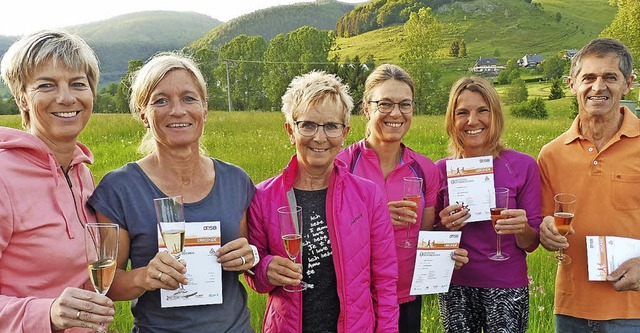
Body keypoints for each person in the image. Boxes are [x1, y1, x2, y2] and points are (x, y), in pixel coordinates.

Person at [88, 52, 257, 332]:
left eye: (189, 98)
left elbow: (249, 257)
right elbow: (108, 284)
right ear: (144, 115)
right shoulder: (120, 188)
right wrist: (145, 277)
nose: (177, 110)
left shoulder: (236, 181)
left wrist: (248, 256)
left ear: (205, 109)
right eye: (161, 101)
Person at [246, 70, 399, 333]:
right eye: (307, 125)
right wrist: (264, 269)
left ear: (345, 133)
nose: (319, 137)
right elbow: (254, 273)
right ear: (290, 131)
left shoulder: (368, 196)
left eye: (331, 126)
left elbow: (385, 281)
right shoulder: (263, 196)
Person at [336, 63, 468, 333]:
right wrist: (377, 217)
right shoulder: (342, 165)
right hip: (352, 296)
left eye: (404, 105)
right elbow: (330, 234)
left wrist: (446, 247)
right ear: (366, 109)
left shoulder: (425, 169)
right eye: (384, 104)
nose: (395, 113)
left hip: (406, 294)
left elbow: (426, 233)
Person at [0, 29, 115, 332]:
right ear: (22, 98)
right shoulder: (2, 177)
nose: (66, 97)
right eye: (46, 85)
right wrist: (46, 312)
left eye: (78, 84)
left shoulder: (82, 174)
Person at [538, 38, 640, 332]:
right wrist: (545, 230)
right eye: (589, 78)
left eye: (610, 77)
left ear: (627, 83)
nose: (598, 87)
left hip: (632, 311)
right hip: (571, 311)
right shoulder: (552, 154)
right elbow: (544, 224)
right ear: (572, 84)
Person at [434, 76, 541, 332]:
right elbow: (429, 240)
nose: (473, 121)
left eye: (483, 110)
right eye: (463, 112)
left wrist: (521, 227)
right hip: (455, 285)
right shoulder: (439, 170)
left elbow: (531, 242)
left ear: (496, 116)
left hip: (506, 284)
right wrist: (445, 227)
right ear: (452, 120)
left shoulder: (523, 165)